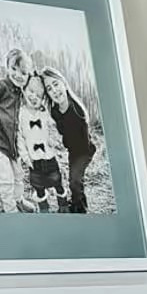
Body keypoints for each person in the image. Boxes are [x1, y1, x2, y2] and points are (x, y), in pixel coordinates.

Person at [0, 47, 32, 213]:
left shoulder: (21, 93)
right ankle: (10, 210)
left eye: (23, 73)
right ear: (7, 68)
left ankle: (19, 200)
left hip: (12, 143)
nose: (18, 75)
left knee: (18, 174)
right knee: (6, 177)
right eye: (13, 69)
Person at [42, 66, 95, 214]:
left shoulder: (77, 111)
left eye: (56, 84)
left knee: (75, 180)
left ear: (64, 83)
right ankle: (76, 203)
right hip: (73, 151)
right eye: (49, 89)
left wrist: (78, 162)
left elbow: (83, 143)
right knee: (73, 181)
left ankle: (82, 209)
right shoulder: (55, 111)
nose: (54, 90)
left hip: (84, 151)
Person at [17, 71, 67, 211]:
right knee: (38, 185)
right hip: (33, 160)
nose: (34, 96)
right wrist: (26, 158)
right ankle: (44, 209)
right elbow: (19, 138)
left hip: (49, 156)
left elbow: (54, 130)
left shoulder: (45, 112)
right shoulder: (21, 114)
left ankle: (63, 206)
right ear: (24, 90)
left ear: (43, 98)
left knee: (57, 181)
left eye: (39, 95)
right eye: (31, 91)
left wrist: (54, 140)